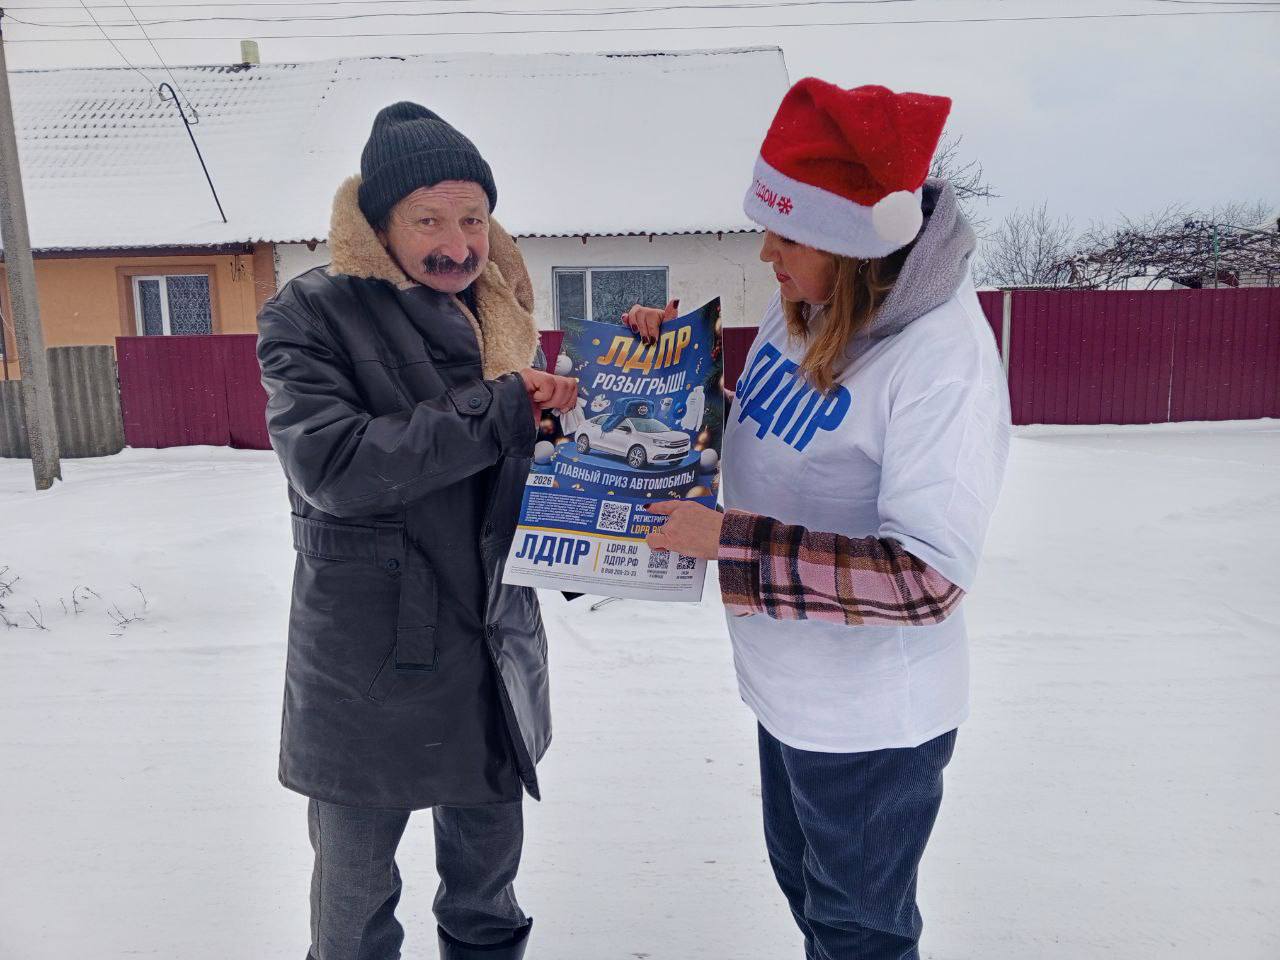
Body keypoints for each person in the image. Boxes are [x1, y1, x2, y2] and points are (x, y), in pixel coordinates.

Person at [626, 79, 1011, 959]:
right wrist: (664, 377)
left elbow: (926, 579)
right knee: (812, 902)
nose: (766, 253)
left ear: (855, 246)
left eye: (788, 234)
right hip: (789, 691)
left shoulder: (939, 361)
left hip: (869, 721)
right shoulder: (809, 302)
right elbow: (775, 430)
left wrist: (729, 543)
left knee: (857, 935)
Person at [256, 101, 577, 960]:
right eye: (429, 220)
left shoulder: (502, 308)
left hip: (489, 640)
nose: (457, 244)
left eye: (472, 219)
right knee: (355, 903)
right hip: (370, 657)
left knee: (487, 896)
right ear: (378, 224)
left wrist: (591, 478)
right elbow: (333, 468)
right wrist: (501, 408)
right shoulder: (311, 313)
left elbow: (520, 463)